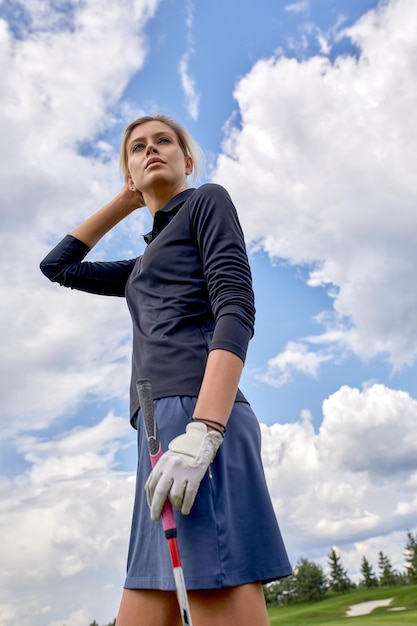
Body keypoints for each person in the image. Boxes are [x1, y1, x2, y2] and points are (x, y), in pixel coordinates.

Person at [40, 114, 291, 625]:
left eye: (164, 142)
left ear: (188, 159)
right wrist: (127, 198)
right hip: (155, 433)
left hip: (197, 422)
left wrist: (206, 429)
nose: (151, 149)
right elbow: (58, 266)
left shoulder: (206, 201)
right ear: (128, 171)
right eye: (137, 147)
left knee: (218, 604)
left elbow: (236, 306)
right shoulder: (141, 264)